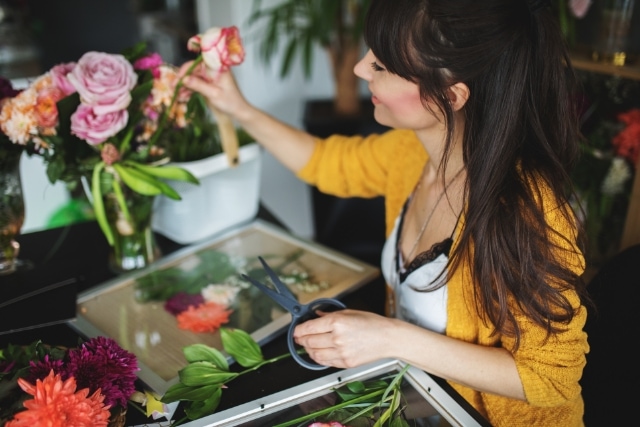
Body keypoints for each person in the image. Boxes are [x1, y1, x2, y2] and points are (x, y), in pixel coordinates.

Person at [180, 0, 590, 425]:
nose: (360, 69)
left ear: (449, 96)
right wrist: (240, 109)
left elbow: (552, 379)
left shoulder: (529, 213)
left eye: (382, 65)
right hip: (412, 399)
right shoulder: (412, 153)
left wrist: (391, 337)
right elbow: (327, 163)